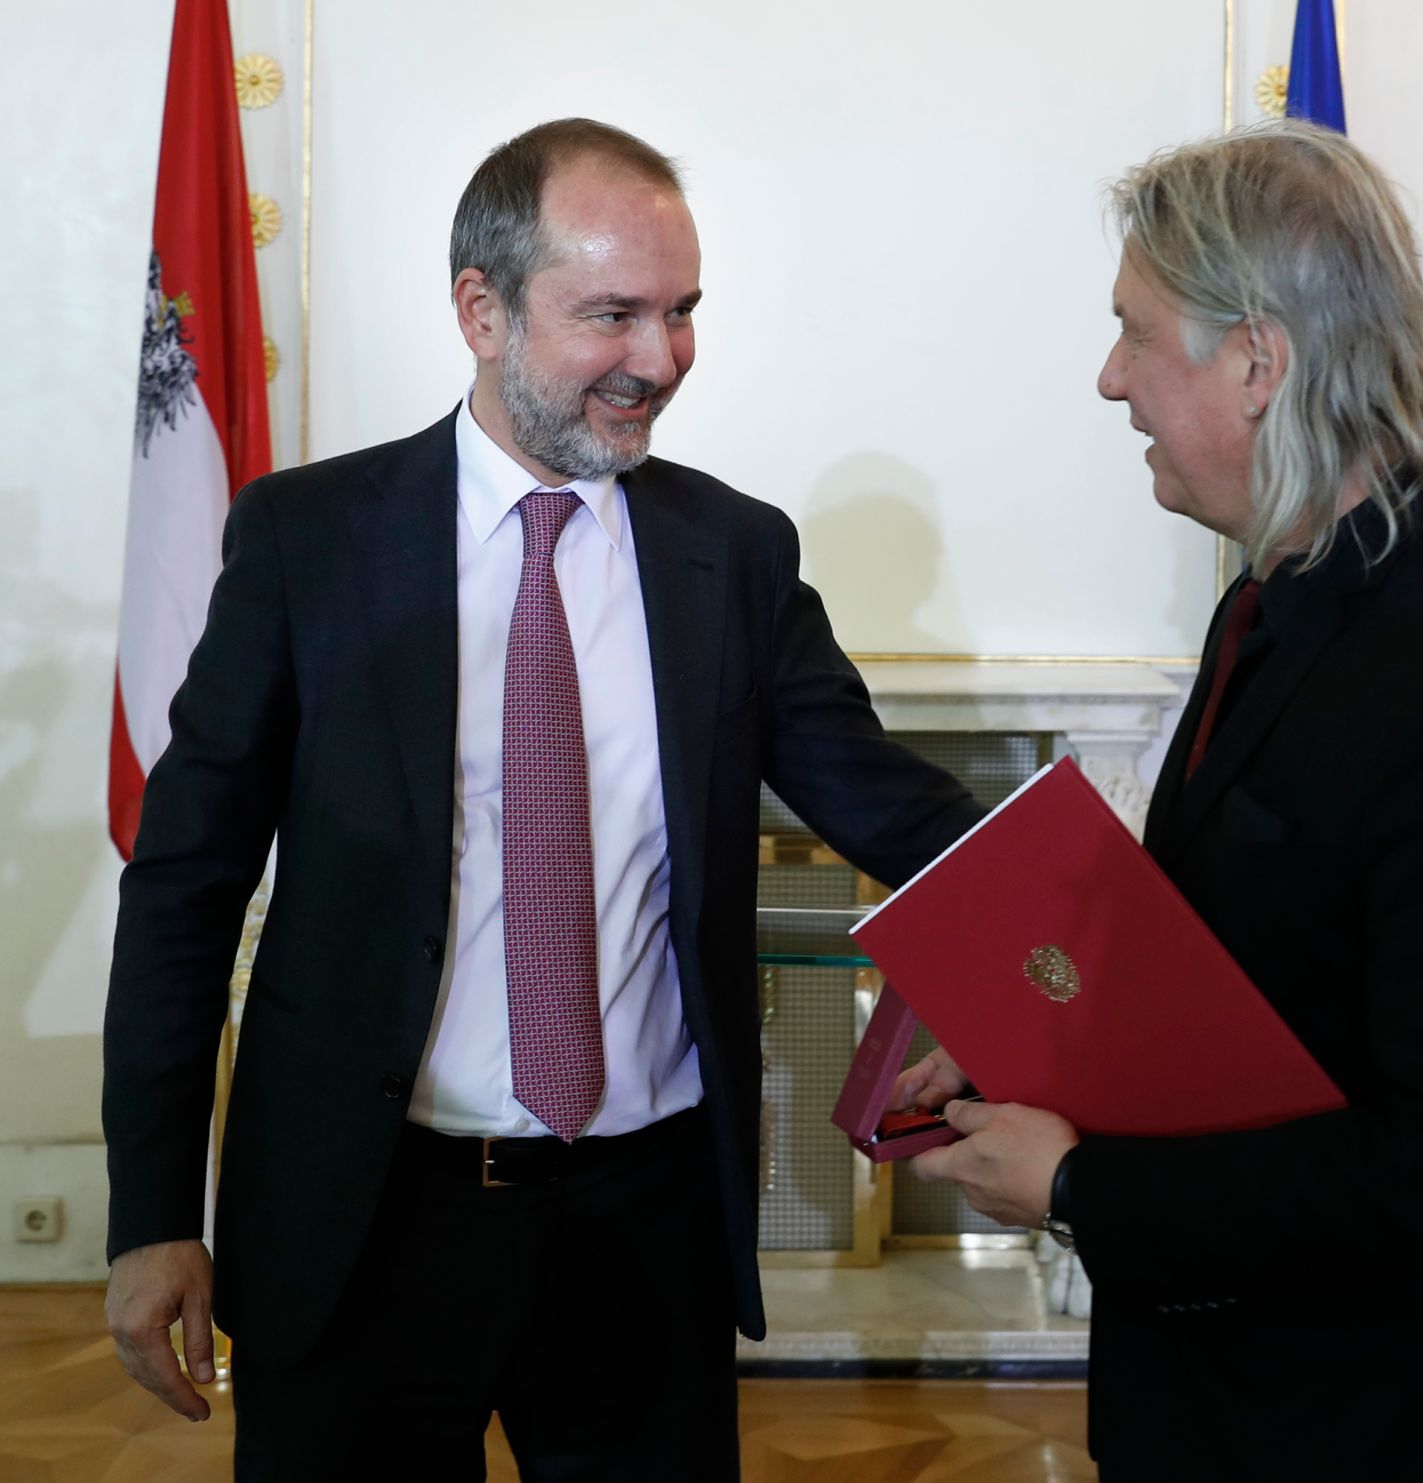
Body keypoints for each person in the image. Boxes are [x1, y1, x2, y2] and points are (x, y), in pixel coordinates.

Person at [101, 117, 982, 1481]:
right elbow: (184, 883)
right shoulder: (309, 541)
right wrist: (151, 1210)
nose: (661, 358)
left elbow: (898, 812)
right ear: (481, 307)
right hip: (363, 1221)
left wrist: (1106, 932)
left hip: (642, 1232)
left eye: (682, 313)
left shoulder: (732, 555)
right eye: (613, 313)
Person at [893, 119, 1423, 1480]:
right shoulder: (1268, 605)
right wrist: (1038, 1046)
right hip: (1224, 1401)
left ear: (1258, 361)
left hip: (1379, 1425)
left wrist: (1075, 1183)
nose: (1108, 377)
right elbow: (1243, 989)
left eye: (1136, 331)